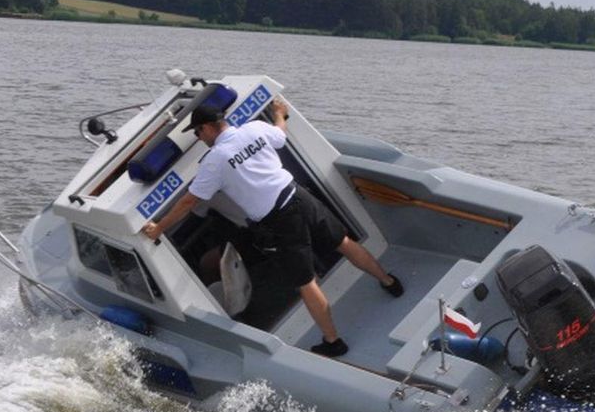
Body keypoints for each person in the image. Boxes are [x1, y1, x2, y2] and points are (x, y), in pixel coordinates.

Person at [141, 97, 403, 357]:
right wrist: (279, 113)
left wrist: (159, 228)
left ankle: (333, 341)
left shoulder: (216, 159)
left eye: (198, 132)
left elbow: (190, 200)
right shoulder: (254, 128)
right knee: (343, 242)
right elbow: (280, 134)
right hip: (300, 197)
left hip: (280, 218)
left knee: (306, 282)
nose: (199, 137)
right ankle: (389, 281)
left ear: (208, 127)